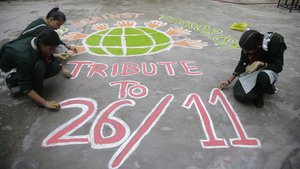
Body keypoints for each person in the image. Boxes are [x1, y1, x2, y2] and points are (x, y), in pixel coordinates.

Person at [0, 29, 71, 110]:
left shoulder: (37, 41)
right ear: (41, 44)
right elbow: (25, 86)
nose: (53, 51)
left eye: (54, 49)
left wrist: (62, 66)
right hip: (10, 75)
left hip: (21, 64)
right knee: (39, 66)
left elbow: (46, 54)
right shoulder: (25, 58)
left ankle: (33, 84)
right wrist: (45, 103)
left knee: (55, 67)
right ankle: (17, 87)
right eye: (51, 49)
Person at [218, 30, 287, 108]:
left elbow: (278, 67)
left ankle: (261, 94)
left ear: (258, 47)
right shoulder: (247, 42)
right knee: (240, 95)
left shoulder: (275, 42)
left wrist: (261, 64)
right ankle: (261, 86)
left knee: (263, 76)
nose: (244, 52)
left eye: (247, 51)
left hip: (268, 70)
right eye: (243, 49)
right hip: (254, 70)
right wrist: (228, 81)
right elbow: (242, 62)